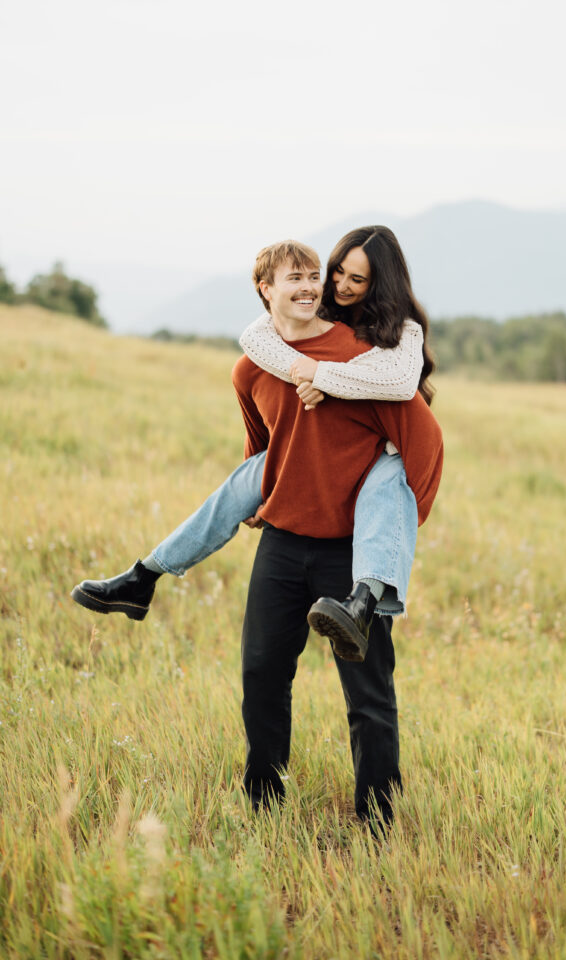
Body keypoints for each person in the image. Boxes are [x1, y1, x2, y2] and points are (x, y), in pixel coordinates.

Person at [71, 226, 436, 662]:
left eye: (356, 280)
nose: (339, 286)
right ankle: (143, 576)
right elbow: (256, 337)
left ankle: (363, 601)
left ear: (379, 285)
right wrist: (308, 372)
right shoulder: (315, 318)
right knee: (240, 482)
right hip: (308, 470)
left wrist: (322, 378)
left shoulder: (399, 330)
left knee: (381, 492)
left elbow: (396, 383)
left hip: (394, 448)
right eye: (335, 273)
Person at [231, 240, 443, 821]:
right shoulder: (252, 366)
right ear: (265, 290)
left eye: (314, 277)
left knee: (368, 693)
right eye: (295, 278)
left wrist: (413, 507)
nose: (318, 287)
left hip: (350, 553)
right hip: (280, 542)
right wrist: (257, 497)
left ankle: (378, 820)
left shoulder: (365, 358)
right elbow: (260, 441)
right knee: (262, 675)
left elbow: (419, 429)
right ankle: (262, 807)